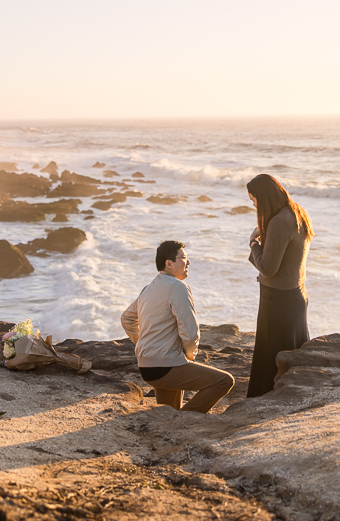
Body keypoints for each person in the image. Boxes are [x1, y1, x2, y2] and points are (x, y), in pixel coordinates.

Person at [121, 240, 234, 413]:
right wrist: (189, 355)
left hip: (146, 367)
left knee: (169, 411)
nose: (188, 262)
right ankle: (185, 419)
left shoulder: (148, 288)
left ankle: (173, 421)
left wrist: (144, 344)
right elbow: (190, 332)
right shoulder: (177, 287)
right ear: (169, 263)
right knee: (224, 381)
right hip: (166, 366)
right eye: (184, 258)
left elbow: (127, 319)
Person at [245, 173, 314, 397]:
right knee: (291, 354)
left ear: (264, 198)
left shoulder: (279, 222)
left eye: (254, 199)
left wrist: (253, 243)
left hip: (278, 301)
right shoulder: (297, 213)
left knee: (271, 358)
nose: (253, 204)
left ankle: (263, 403)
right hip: (295, 295)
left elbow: (268, 268)